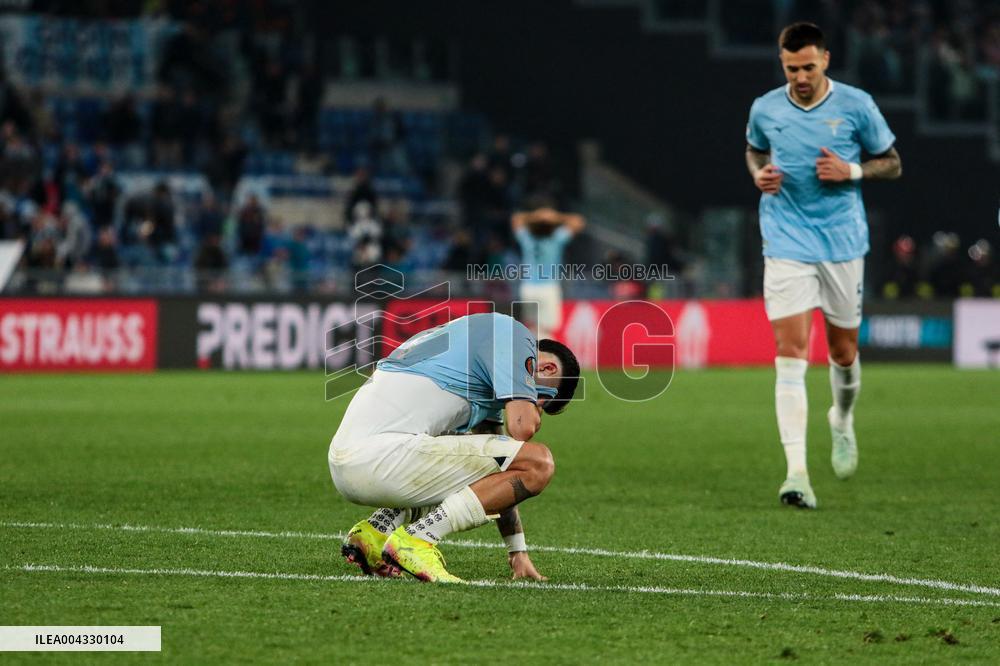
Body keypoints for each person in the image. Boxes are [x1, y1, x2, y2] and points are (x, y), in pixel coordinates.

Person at [744, 22, 901, 509]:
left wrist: (852, 170)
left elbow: (892, 161)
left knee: (844, 353)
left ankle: (842, 420)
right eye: (792, 68)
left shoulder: (856, 104)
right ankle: (796, 474)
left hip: (841, 243)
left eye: (808, 67)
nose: (800, 77)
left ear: (826, 60)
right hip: (786, 240)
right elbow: (753, 148)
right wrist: (759, 174)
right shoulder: (766, 108)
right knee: (790, 353)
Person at [329, 312, 580, 583]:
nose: (536, 405)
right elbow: (521, 428)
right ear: (547, 369)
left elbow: (500, 467)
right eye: (542, 400)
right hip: (382, 459)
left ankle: (377, 530)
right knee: (539, 462)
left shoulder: (478, 344)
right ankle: (418, 540)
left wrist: (516, 550)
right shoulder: (514, 337)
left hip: (352, 461)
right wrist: (533, 408)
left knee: (485, 456)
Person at [511, 201, 585, 339]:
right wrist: (557, 216)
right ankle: (546, 357)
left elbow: (516, 219)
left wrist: (535, 216)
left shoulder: (527, 238)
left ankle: (532, 356)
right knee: (547, 329)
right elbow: (578, 221)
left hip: (528, 288)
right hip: (548, 288)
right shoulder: (556, 238)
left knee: (533, 327)